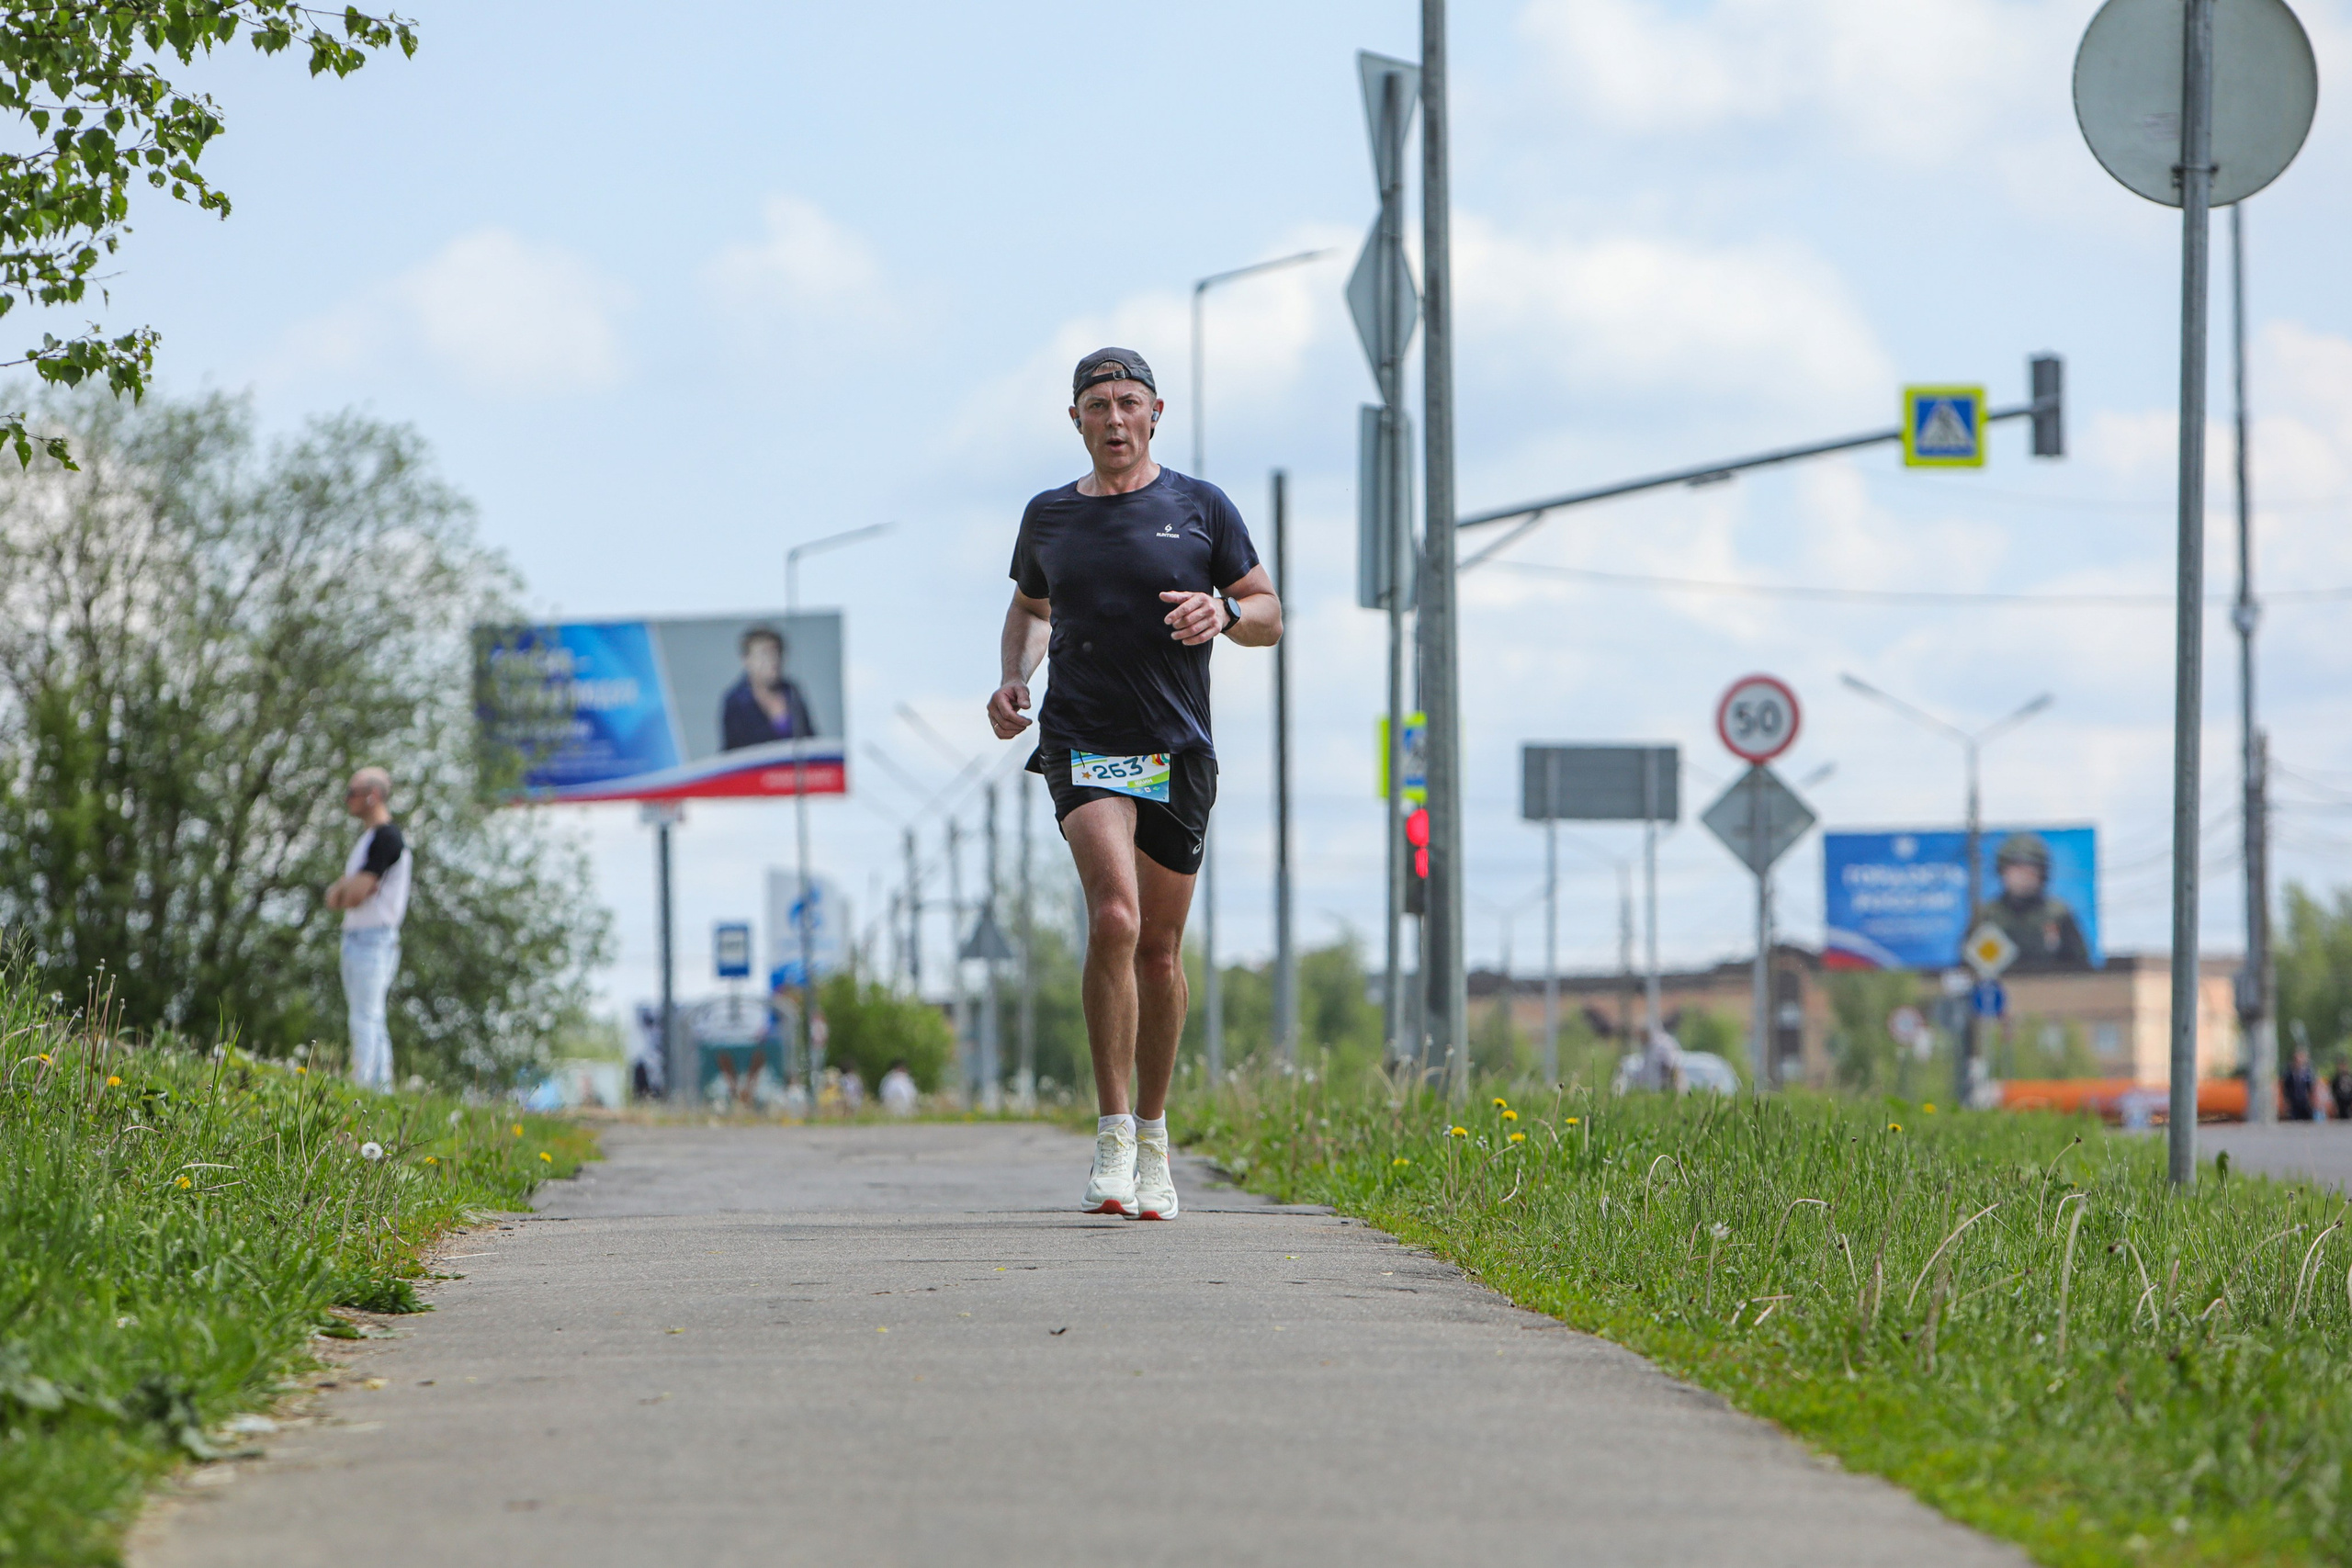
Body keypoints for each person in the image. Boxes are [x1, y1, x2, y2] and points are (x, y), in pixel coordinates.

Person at [986, 347, 1280, 1219]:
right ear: (1075, 419)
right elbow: (1031, 608)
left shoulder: (1201, 508)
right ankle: (1112, 1132)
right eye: (1097, 405)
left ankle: (1154, 1136)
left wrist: (1224, 611)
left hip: (1175, 746)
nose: (1114, 418)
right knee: (1114, 917)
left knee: (1159, 948)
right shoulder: (1048, 516)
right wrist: (1015, 679)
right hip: (1084, 739)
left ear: (1155, 412)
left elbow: (1268, 612)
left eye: (1128, 402)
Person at [323, 767, 411, 1090]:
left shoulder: (387, 838)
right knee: (372, 1016)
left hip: (373, 939)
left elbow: (354, 894)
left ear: (372, 795)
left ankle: (363, 1086)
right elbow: (339, 896)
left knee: (365, 1017)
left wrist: (346, 887)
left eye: (353, 792)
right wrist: (346, 889)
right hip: (362, 937)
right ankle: (380, 1087)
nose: (348, 799)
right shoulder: (370, 839)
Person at [1973, 832, 2091, 971]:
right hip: (2002, 984)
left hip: (2051, 983)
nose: (2023, 877)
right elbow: (1971, 968)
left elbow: (2081, 966)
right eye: (2016, 869)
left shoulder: (2058, 915)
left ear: (2042, 874)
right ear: (2003, 872)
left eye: (2031, 870)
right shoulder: (1988, 916)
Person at [719, 626, 817, 750]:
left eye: (777, 653)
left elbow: (811, 739)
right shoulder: (736, 701)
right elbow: (733, 751)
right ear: (746, 660)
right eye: (764, 654)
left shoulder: (792, 692)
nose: (773, 660)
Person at [2284, 1044, 2319, 1122]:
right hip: (2294, 1103)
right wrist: (2287, 1102)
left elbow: (2312, 1088)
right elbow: (2286, 1089)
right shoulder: (2290, 1073)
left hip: (2306, 1103)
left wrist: (2314, 1101)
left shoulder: (2308, 1073)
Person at [2330, 1058, 2352, 1122]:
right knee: (2340, 1116)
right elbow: (2333, 1090)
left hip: (2349, 1099)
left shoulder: (2350, 1077)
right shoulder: (2336, 1078)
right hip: (2339, 1100)